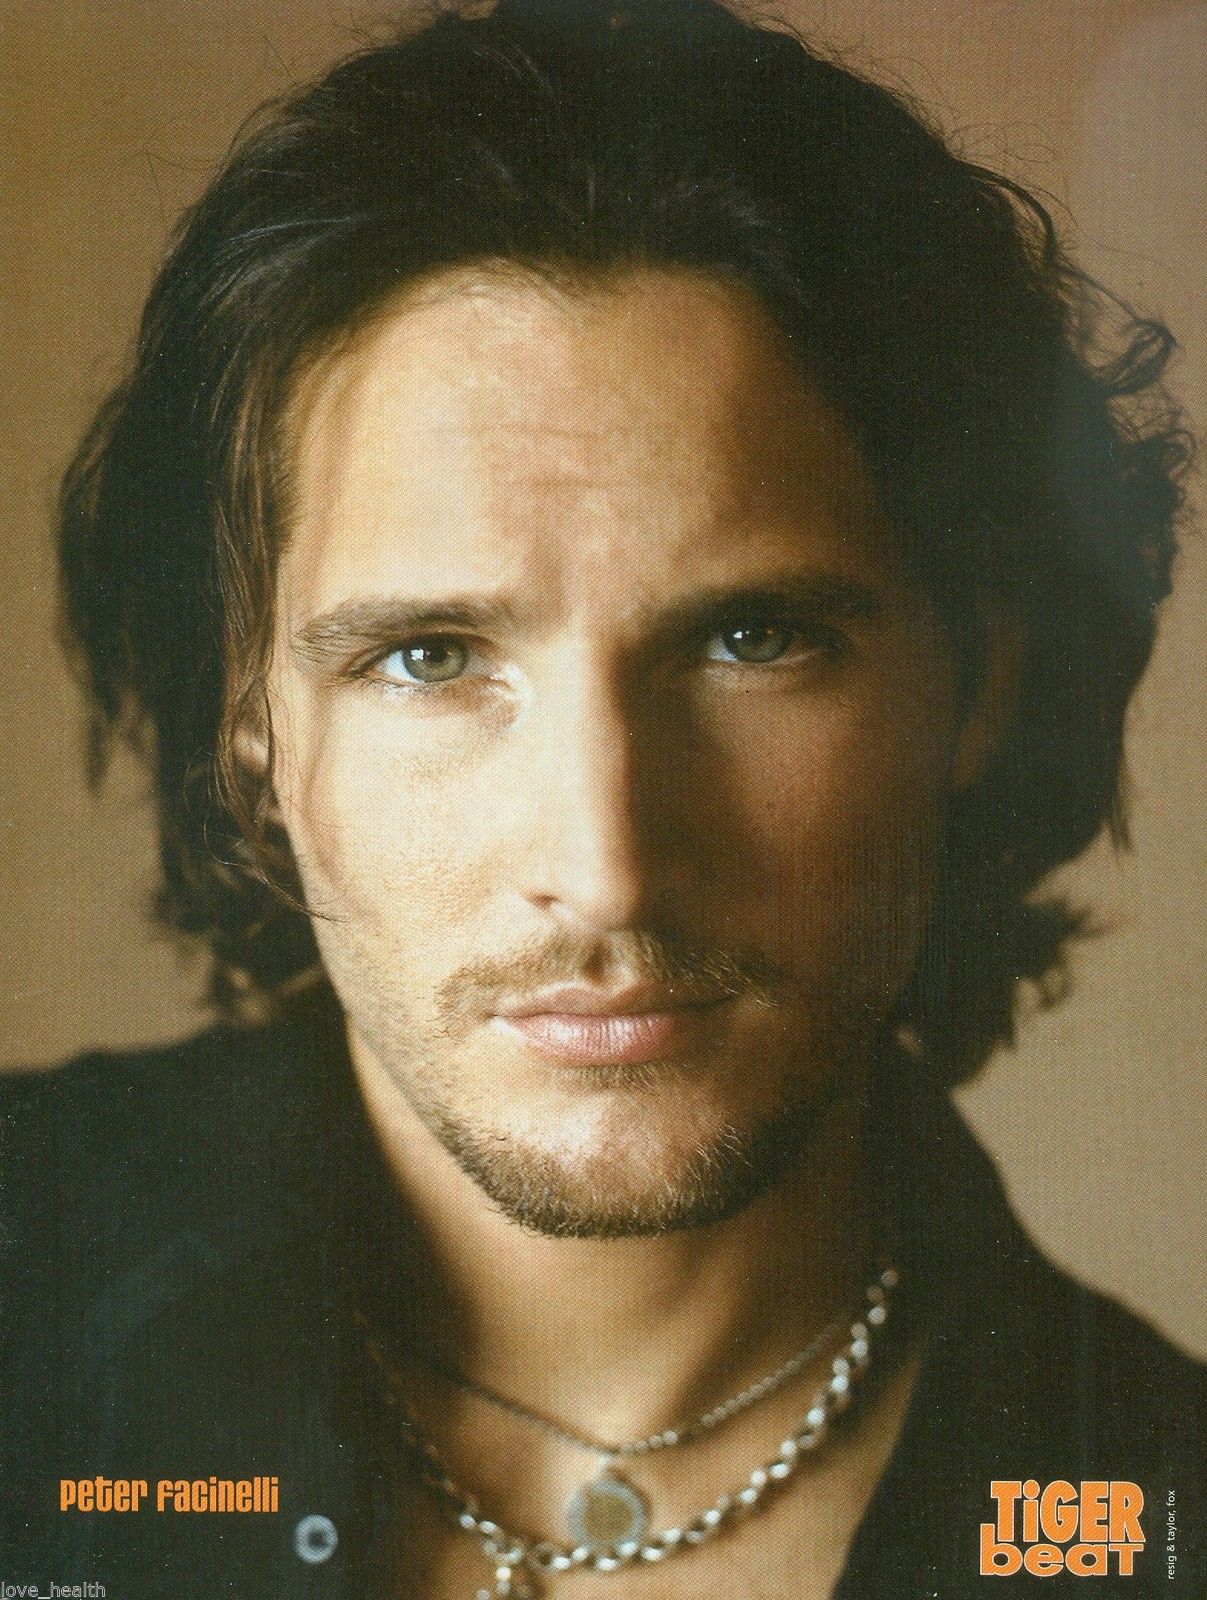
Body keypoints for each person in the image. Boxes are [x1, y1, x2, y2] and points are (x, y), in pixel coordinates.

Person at [2, 1, 1201, 1595]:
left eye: (753, 641)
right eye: (430, 658)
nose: (609, 866)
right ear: (251, 720)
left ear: (978, 684)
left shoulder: (1156, 1521)